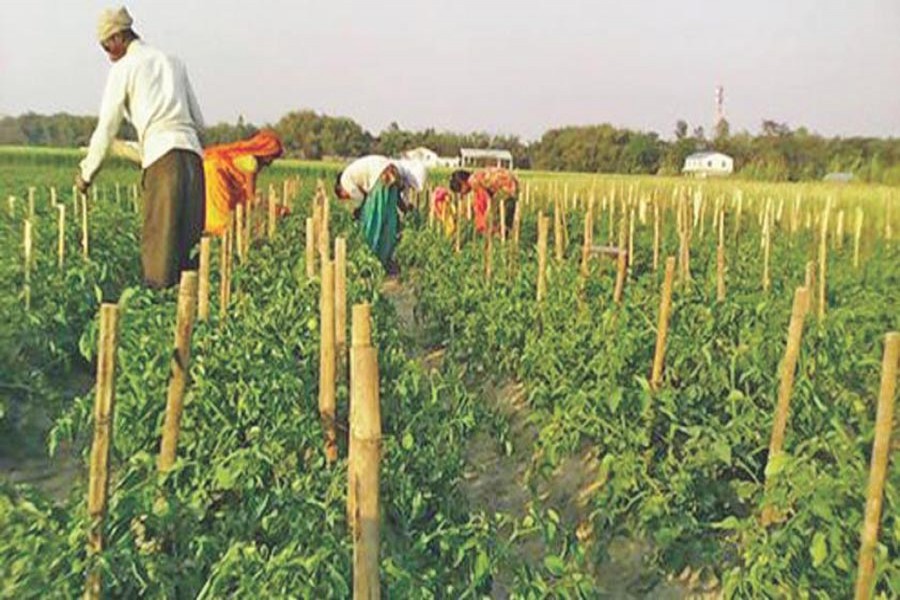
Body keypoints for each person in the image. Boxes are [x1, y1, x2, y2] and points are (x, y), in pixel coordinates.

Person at [76, 7, 206, 288]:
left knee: (159, 248)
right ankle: (189, 321)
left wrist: (87, 174)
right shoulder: (174, 62)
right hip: (193, 158)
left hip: (163, 161)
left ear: (118, 37)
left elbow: (106, 128)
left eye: (106, 45)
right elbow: (199, 122)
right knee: (188, 253)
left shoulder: (124, 68)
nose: (107, 53)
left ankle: (157, 316)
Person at [334, 155, 426, 269]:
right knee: (389, 220)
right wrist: (404, 208)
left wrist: (358, 214)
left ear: (341, 190)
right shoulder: (351, 174)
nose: (348, 198)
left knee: (372, 221)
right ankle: (385, 258)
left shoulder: (345, 182)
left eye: (345, 197)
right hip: (391, 172)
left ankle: (371, 258)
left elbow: (362, 200)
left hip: (382, 176)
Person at [203, 130, 284, 236]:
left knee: (235, 202)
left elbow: (245, 193)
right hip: (215, 172)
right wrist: (275, 208)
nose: (271, 162)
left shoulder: (251, 159)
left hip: (216, 170)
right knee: (220, 215)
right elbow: (251, 197)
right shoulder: (251, 162)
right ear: (265, 152)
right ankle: (217, 237)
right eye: (272, 157)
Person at [449, 167, 519, 234]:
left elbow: (483, 200)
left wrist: (481, 220)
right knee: (503, 214)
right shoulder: (476, 175)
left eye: (460, 190)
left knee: (496, 217)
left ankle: (499, 234)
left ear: (463, 183)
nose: (462, 194)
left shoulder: (472, 181)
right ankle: (505, 232)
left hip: (506, 186)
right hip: (510, 184)